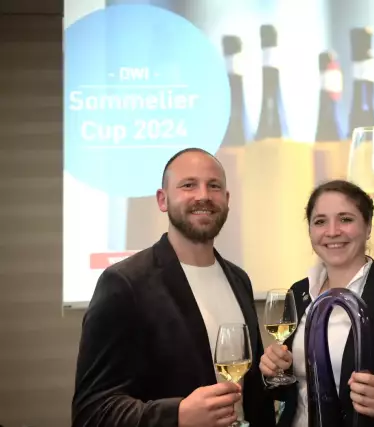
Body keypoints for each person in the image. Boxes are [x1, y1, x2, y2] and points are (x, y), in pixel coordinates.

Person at [72, 148, 275, 427]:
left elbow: (251, 391)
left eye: (214, 186)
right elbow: (92, 412)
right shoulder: (124, 284)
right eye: (188, 185)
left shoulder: (239, 279)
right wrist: (177, 415)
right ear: (162, 200)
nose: (203, 195)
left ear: (226, 200)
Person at [259, 179, 374, 427]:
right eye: (320, 221)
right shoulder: (298, 292)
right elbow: (290, 390)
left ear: (368, 227)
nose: (332, 231)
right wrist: (272, 372)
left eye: (345, 219)